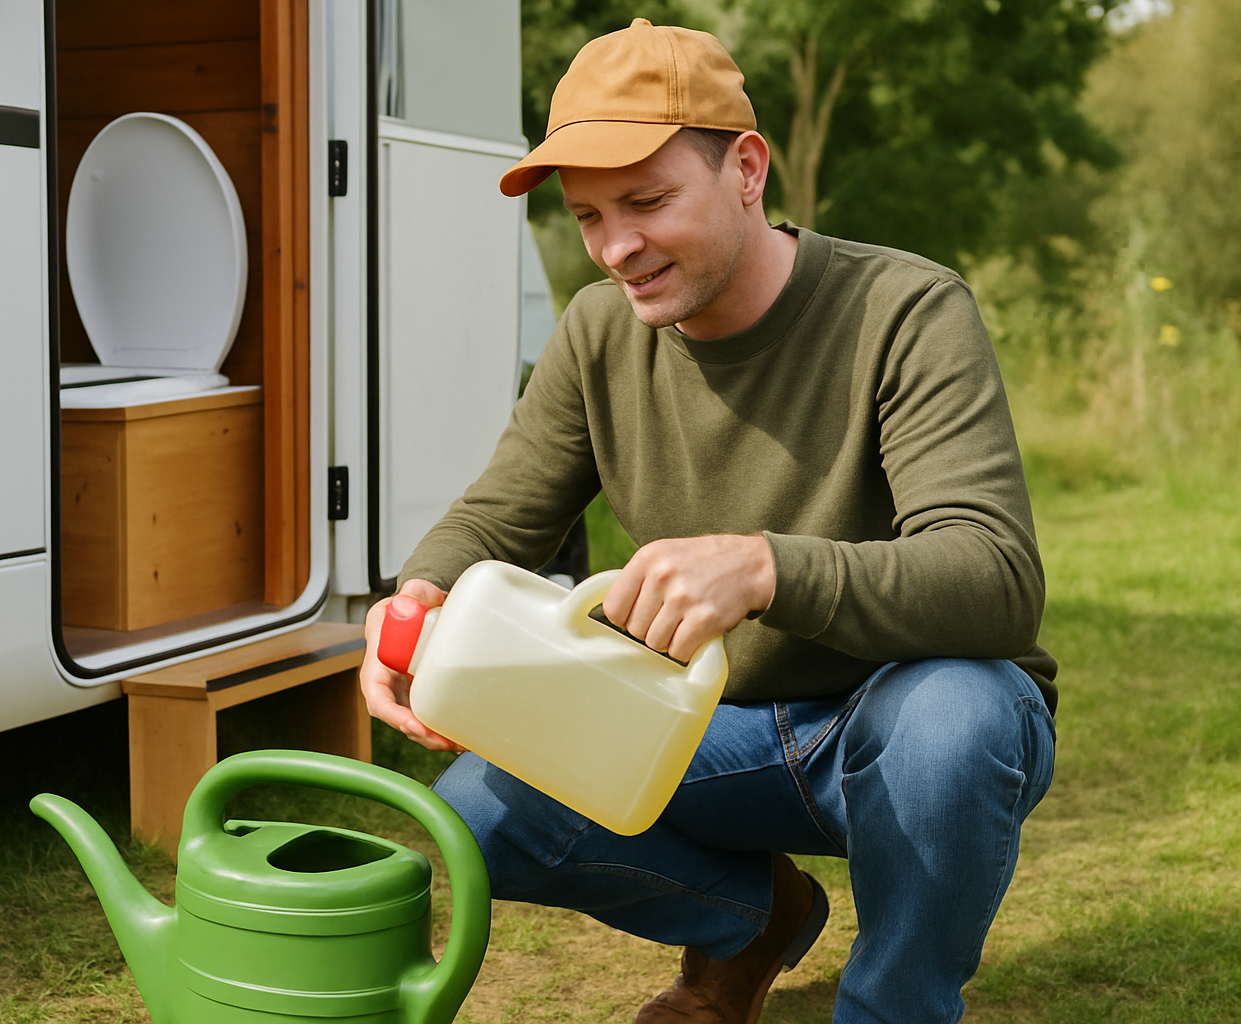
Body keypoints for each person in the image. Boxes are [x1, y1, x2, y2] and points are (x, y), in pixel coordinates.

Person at [357, 18, 1057, 1024]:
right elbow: (499, 514)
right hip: (705, 728)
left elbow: (995, 579)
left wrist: (768, 568)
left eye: (646, 201)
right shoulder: (598, 333)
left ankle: (894, 1006)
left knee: (957, 718)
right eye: (589, 215)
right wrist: (414, 597)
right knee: (478, 810)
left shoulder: (905, 309)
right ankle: (755, 924)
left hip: (902, 716)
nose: (616, 247)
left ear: (746, 168)